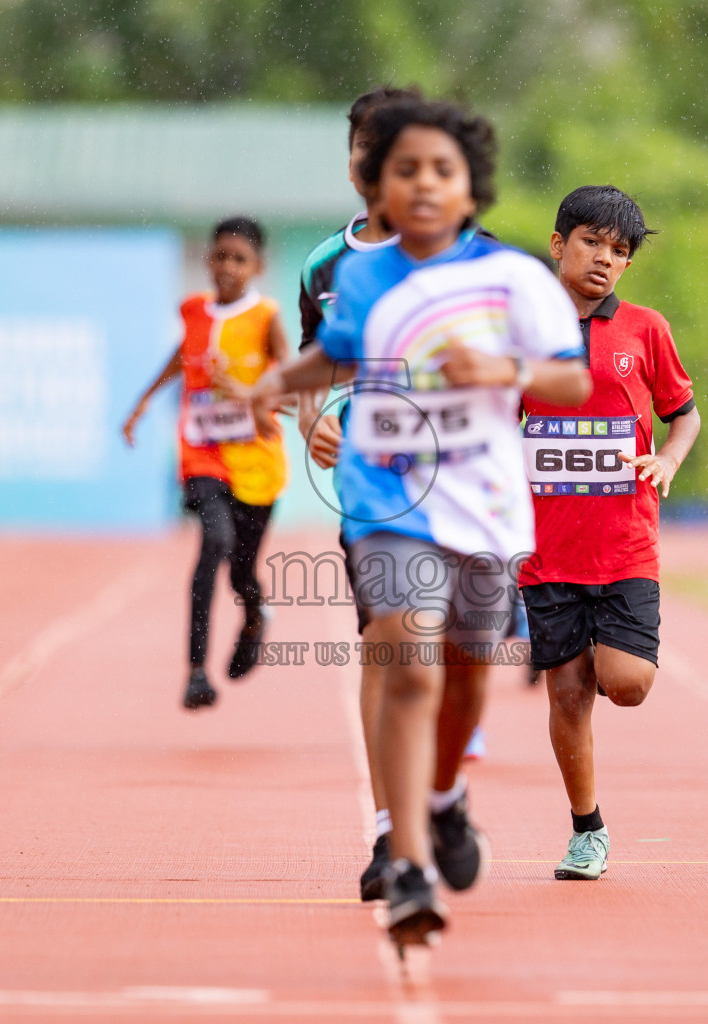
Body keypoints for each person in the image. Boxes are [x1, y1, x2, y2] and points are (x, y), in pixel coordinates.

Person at [250, 95, 592, 946]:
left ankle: (442, 799)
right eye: (404, 171)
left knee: (467, 666)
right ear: (378, 184)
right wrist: (282, 392)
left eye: (442, 170)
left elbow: (570, 382)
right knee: (406, 661)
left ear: (471, 186)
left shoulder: (513, 276)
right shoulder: (357, 274)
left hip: (480, 502)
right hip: (387, 499)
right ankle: (403, 862)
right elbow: (335, 354)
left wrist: (501, 366)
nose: (423, 185)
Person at [518, 185, 699, 882]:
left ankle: (604, 648)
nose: (605, 259)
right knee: (566, 695)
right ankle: (586, 830)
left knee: (625, 685)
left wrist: (668, 460)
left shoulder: (645, 330)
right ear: (559, 244)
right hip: (548, 549)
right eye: (592, 243)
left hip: (625, 543)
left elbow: (685, 415)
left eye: (619, 252)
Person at [295, 85, 420, 902]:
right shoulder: (322, 266)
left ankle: (437, 799)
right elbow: (311, 365)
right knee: (388, 640)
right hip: (369, 488)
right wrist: (311, 423)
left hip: (453, 480)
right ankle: (389, 835)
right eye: (360, 149)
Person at [123, 217, 289, 711]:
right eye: (220, 256)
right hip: (203, 453)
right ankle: (196, 671)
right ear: (208, 260)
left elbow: (286, 367)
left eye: (239, 259)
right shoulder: (194, 311)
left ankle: (256, 617)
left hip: (256, 461)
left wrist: (253, 392)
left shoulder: (265, 317)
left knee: (241, 573)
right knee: (213, 542)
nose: (227, 267)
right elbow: (183, 354)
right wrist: (144, 400)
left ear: (257, 266)